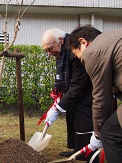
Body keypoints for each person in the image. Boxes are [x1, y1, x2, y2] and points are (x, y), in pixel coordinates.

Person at [67, 24, 122, 163]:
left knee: (109, 133)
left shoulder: (92, 52)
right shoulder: (113, 38)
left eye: (76, 54)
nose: (79, 58)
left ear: (83, 42)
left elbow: (100, 98)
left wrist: (97, 134)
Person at [41, 28, 98, 162]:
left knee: (82, 119)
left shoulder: (74, 50)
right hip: (71, 91)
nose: (49, 53)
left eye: (50, 49)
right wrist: (58, 95)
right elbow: (61, 75)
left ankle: (87, 153)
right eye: (46, 51)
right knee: (71, 117)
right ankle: (76, 148)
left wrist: (58, 108)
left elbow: (78, 82)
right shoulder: (61, 51)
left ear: (60, 40)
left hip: (86, 91)